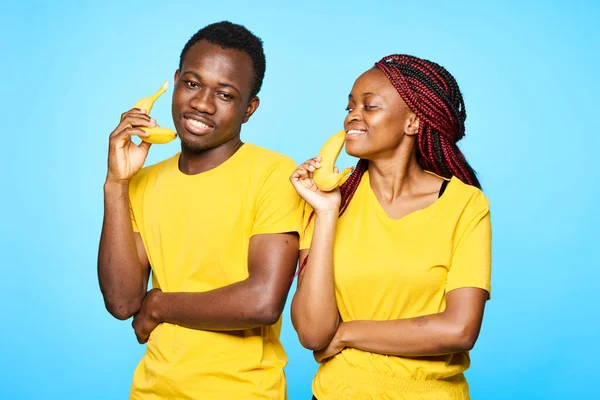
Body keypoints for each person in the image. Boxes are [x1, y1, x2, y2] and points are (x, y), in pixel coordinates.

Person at [98, 21, 302, 400]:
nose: (202, 104)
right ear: (175, 81)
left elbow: (262, 301)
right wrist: (117, 184)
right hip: (152, 390)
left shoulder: (273, 174)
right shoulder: (144, 181)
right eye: (192, 83)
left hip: (243, 391)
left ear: (248, 109)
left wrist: (159, 304)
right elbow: (123, 302)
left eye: (225, 95)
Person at [290, 54, 492, 399]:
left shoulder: (465, 205)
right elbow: (312, 333)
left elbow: (459, 329)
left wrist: (347, 333)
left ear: (413, 121)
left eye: (370, 107)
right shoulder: (332, 199)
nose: (353, 116)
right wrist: (325, 214)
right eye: (350, 107)